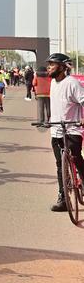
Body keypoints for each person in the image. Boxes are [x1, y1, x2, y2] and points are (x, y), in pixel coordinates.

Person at [46, 53, 84, 212]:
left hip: (72, 129)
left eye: (52, 64)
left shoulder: (72, 83)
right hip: (56, 131)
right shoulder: (53, 83)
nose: (49, 67)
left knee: (75, 157)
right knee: (60, 165)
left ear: (62, 67)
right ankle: (63, 198)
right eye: (48, 64)